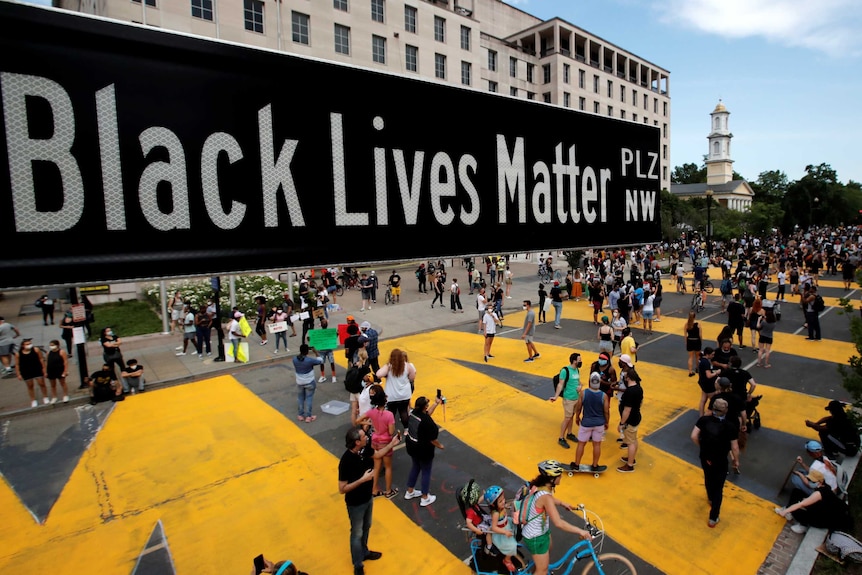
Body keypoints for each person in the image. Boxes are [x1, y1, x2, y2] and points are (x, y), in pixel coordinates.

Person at [338, 425, 399, 575]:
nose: (367, 437)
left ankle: (364, 552)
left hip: (367, 498)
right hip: (355, 503)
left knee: (366, 527)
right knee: (357, 532)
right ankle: (357, 564)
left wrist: (391, 444)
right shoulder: (346, 461)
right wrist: (362, 479)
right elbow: (342, 488)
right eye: (363, 436)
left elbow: (377, 455)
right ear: (357, 442)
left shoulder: (365, 450)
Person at [520, 460, 592, 575]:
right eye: (559, 475)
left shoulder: (541, 487)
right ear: (552, 478)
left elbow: (548, 499)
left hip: (541, 532)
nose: (561, 477)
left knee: (545, 557)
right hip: (535, 537)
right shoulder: (545, 497)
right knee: (542, 570)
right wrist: (580, 531)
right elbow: (559, 523)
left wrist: (562, 503)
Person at [691, 398, 740, 528]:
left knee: (708, 477)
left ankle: (710, 497)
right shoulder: (730, 426)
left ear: (712, 408)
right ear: (726, 411)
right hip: (720, 459)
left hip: (705, 456)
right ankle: (713, 517)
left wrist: (702, 446)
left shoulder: (703, 420)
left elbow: (694, 436)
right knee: (719, 487)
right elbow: (734, 447)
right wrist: (736, 460)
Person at [775, 468, 853, 534]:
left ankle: (803, 525)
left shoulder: (818, 493)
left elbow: (801, 504)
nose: (809, 482)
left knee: (798, 509)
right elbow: (807, 484)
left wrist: (784, 512)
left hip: (826, 519)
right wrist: (799, 473)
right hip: (827, 510)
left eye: (812, 481)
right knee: (797, 492)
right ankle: (789, 511)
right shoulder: (825, 486)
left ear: (819, 482)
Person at [403, 395, 444, 507]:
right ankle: (425, 497)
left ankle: (410, 491)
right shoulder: (428, 423)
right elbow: (433, 439)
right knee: (426, 471)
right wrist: (440, 446)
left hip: (411, 446)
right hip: (423, 450)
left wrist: (435, 403)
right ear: (425, 407)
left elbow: (426, 414)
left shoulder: (413, 413)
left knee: (415, 467)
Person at [365, 386, 398, 499]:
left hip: (375, 440)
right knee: (388, 467)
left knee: (376, 466)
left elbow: (358, 420)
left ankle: (374, 490)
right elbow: (391, 431)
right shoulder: (389, 415)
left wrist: (372, 425)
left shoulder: (372, 412)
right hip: (385, 442)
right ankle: (388, 491)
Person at [573, 372, 610, 472]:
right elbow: (606, 411)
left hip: (586, 423)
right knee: (597, 445)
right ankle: (594, 465)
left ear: (590, 381)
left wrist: (577, 417)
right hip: (599, 424)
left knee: (581, 444)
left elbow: (579, 407)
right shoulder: (604, 396)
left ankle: (576, 464)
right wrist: (606, 422)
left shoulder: (583, 393)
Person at [376, 348, 416, 431]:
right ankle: (406, 429)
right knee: (404, 412)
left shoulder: (389, 366)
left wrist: (386, 369)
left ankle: (390, 430)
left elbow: (378, 374)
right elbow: (412, 378)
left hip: (391, 395)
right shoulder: (408, 366)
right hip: (404, 394)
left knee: (391, 413)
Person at [550, 352, 581, 449]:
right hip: (568, 398)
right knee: (567, 418)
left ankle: (570, 433)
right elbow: (560, 384)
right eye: (579, 360)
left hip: (576, 397)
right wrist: (555, 396)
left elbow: (578, 382)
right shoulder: (565, 371)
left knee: (571, 416)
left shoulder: (577, 370)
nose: (581, 361)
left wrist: (580, 387)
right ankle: (561, 437)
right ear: (574, 361)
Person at [485, 486, 517, 572]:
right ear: (493, 505)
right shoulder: (495, 514)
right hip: (500, 533)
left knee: (516, 526)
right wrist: (505, 532)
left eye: (503, 499)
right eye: (500, 501)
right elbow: (494, 528)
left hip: (506, 524)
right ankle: (507, 560)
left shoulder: (500, 508)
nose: (503, 502)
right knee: (512, 546)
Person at [617, 368, 644, 472]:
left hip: (630, 420)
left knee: (630, 442)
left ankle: (629, 465)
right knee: (634, 439)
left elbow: (627, 410)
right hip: (636, 417)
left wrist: (622, 423)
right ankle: (631, 458)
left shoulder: (629, 391)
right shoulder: (639, 388)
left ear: (628, 378)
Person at [293, 344, 323, 423]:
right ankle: (309, 416)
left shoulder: (295, 359)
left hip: (299, 382)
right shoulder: (309, 360)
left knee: (300, 398)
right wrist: (316, 352)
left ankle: (300, 415)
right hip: (309, 382)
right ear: (307, 351)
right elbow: (321, 361)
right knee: (309, 398)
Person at [16, 338, 47, 408]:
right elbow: (17, 364)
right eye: (27, 344)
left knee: (41, 383)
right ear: (23, 345)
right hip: (26, 371)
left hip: (37, 369)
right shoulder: (18, 354)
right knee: (30, 386)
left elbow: (41, 359)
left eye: (30, 344)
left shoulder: (36, 350)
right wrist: (18, 374)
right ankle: (33, 400)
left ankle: (45, 397)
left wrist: (44, 368)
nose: (29, 345)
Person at [697, 347, 721, 416]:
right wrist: (717, 372)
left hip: (703, 382)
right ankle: (712, 415)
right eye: (712, 354)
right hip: (708, 384)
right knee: (713, 402)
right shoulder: (706, 362)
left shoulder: (701, 360)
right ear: (708, 354)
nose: (713, 356)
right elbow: (709, 376)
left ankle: (701, 416)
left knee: (703, 400)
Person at [44, 339, 70, 404]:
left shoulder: (62, 352)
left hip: (59, 370)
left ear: (57, 345)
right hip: (51, 370)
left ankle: (65, 395)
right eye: (50, 345)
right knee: (52, 385)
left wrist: (65, 371)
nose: (51, 346)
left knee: (62, 383)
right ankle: (54, 397)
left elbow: (65, 362)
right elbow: (47, 362)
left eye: (52, 345)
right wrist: (46, 371)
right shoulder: (48, 353)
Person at [684, 310, 702, 377]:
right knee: (697, 356)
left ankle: (690, 371)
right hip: (697, 340)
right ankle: (697, 369)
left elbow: (685, 335)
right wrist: (701, 341)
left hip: (690, 341)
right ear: (695, 316)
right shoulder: (698, 324)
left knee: (690, 357)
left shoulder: (686, 324)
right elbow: (700, 335)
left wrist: (686, 342)